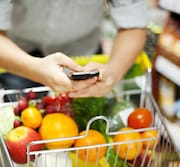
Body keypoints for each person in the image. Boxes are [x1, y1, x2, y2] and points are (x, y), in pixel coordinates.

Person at [0, 0, 148, 97]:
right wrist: (33, 68)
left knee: (85, 128)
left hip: (84, 56)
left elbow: (133, 25)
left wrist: (114, 71)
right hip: (17, 55)